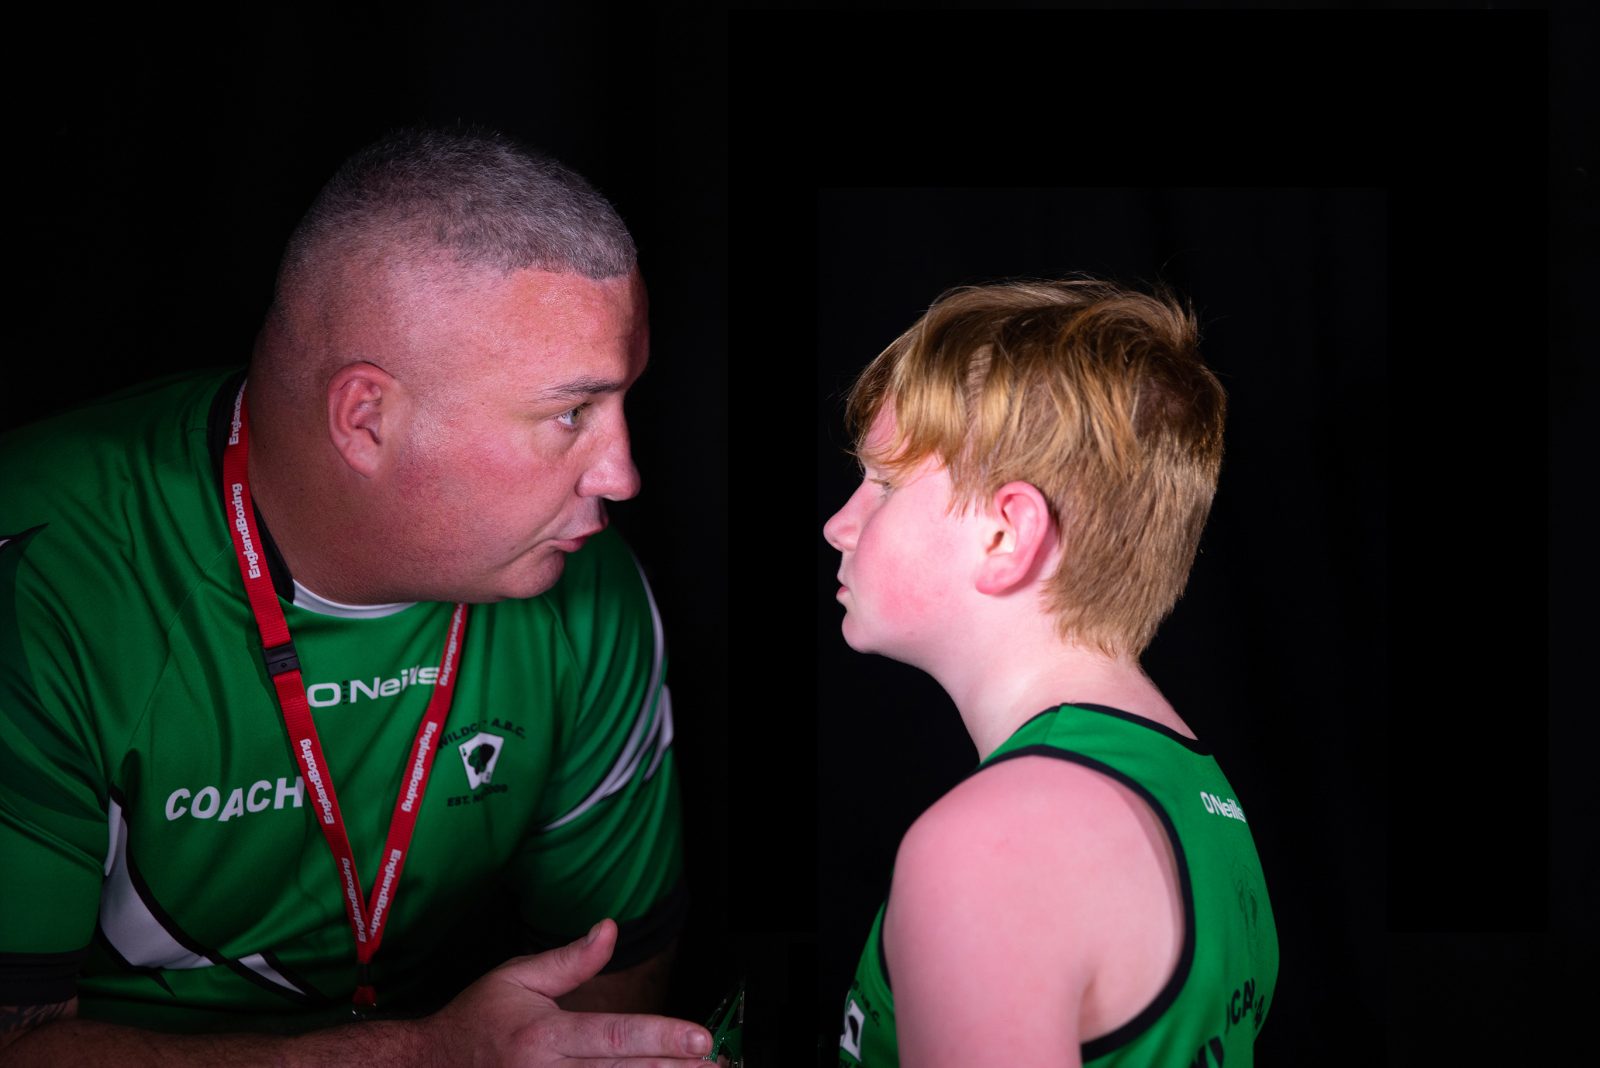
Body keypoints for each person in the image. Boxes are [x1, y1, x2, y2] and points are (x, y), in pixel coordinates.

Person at [0, 127, 715, 1065]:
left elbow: (615, 983)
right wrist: (419, 1057)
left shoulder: (587, 584)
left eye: (626, 404)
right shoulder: (46, 575)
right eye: (571, 414)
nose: (621, 475)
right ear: (367, 417)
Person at [823, 278, 1279, 1066]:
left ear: (1007, 536)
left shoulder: (988, 848)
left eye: (886, 485)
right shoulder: (1194, 790)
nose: (839, 524)